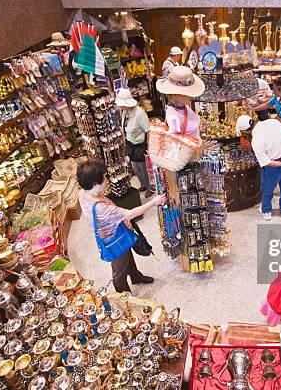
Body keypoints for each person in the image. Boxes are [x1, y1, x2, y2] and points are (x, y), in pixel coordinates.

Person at [77, 160, 166, 293]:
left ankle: (136, 277)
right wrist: (154, 202)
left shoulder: (83, 193)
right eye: (104, 177)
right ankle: (125, 298)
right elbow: (131, 213)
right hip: (112, 238)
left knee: (127, 253)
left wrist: (119, 218)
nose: (106, 179)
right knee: (119, 272)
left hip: (116, 230)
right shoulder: (101, 208)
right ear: (95, 184)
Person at [237, 115, 281, 220]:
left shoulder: (256, 141)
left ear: (245, 131)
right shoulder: (273, 122)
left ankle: (266, 211)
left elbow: (267, 162)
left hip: (273, 167)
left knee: (267, 188)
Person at [115, 88, 154, 198]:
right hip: (130, 145)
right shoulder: (125, 113)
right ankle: (143, 184)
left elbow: (148, 130)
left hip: (140, 146)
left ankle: (149, 187)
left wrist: (148, 146)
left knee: (143, 169)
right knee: (136, 168)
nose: (120, 107)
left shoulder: (140, 113)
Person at [156, 65, 205, 139]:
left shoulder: (183, 106)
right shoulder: (173, 117)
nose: (191, 96)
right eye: (187, 93)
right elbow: (176, 145)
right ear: (175, 94)